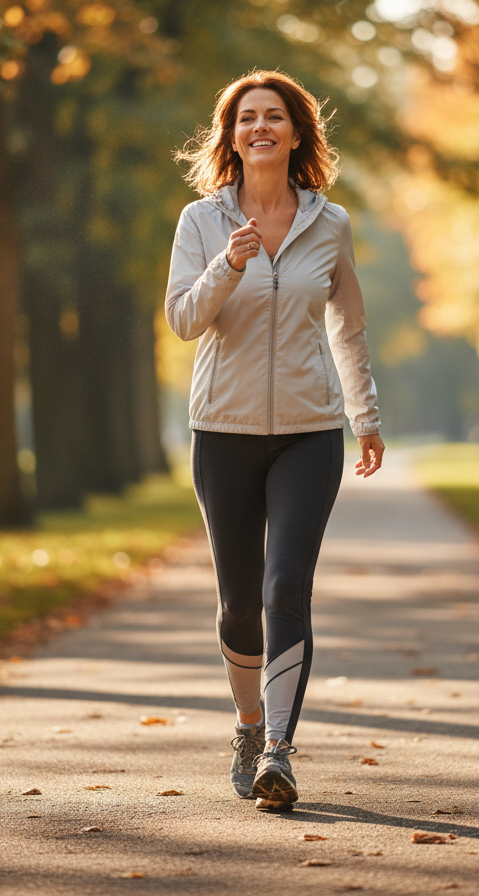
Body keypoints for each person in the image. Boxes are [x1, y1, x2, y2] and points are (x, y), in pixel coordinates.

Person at [165, 70, 384, 812]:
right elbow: (183, 321)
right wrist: (228, 266)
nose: (260, 127)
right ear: (231, 137)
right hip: (222, 430)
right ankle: (249, 725)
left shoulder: (331, 223)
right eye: (247, 118)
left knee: (286, 585)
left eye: (275, 116)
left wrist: (365, 415)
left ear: (296, 133)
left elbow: (347, 325)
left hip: (309, 432)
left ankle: (279, 752)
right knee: (238, 603)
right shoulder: (201, 221)